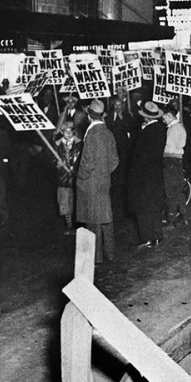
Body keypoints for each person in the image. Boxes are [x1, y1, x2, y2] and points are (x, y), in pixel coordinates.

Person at [75, 100, 119, 263]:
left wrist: (81, 178)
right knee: (106, 218)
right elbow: (115, 160)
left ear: (89, 116)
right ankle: (110, 253)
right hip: (104, 181)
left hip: (90, 183)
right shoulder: (108, 133)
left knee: (93, 220)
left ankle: (96, 257)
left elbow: (86, 162)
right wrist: (104, 173)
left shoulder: (92, 134)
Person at [127, 102, 167, 248]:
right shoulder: (161, 129)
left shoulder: (145, 132)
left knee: (143, 207)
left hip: (143, 176)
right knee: (155, 206)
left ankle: (147, 238)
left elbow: (139, 157)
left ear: (147, 118)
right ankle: (157, 236)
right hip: (156, 174)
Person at [161, 103, 188, 226]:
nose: (163, 120)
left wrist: (160, 148)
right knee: (179, 191)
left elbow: (170, 148)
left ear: (170, 116)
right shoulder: (180, 127)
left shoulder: (172, 129)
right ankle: (184, 217)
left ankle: (170, 219)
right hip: (178, 160)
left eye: (164, 117)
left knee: (170, 191)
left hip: (170, 160)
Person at [53, 121, 82, 235]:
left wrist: (75, 168)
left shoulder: (80, 144)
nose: (69, 133)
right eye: (66, 131)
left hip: (76, 177)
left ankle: (79, 227)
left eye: (71, 130)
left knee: (77, 202)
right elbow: (51, 159)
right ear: (62, 132)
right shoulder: (57, 145)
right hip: (63, 179)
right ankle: (69, 227)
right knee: (65, 203)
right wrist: (57, 163)